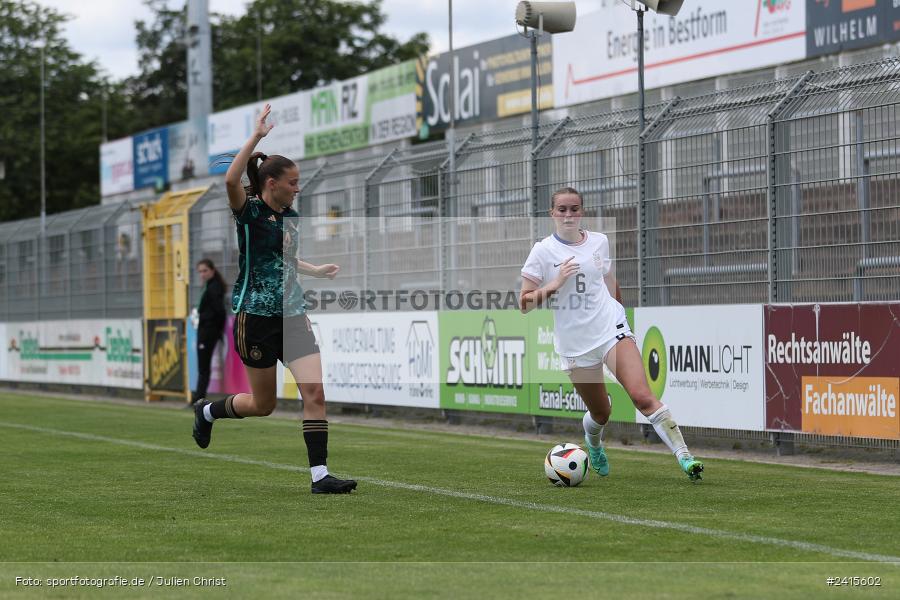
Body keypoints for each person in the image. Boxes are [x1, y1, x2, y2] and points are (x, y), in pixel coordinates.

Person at [192, 103, 357, 494]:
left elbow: (283, 260)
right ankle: (209, 410)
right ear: (272, 184)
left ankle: (320, 476)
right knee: (262, 404)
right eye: (293, 182)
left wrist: (314, 271)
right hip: (255, 318)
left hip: (294, 315)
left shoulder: (292, 218)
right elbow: (231, 179)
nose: (298, 188)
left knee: (314, 391)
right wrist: (257, 137)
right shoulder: (247, 212)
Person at [519, 187, 704, 481]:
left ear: (582, 212)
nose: (569, 215)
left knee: (643, 397)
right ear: (551, 214)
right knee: (601, 413)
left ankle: (686, 457)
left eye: (574, 209)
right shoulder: (542, 251)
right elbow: (524, 303)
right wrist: (555, 284)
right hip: (575, 345)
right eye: (562, 210)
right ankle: (593, 443)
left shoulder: (599, 242)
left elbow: (608, 281)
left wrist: (620, 314)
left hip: (610, 329)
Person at [190, 258, 226, 406]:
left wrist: (202, 317)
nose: (202, 274)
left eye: (205, 270)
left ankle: (198, 400)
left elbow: (219, 312)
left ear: (212, 270)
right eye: (200, 271)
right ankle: (198, 399)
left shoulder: (214, 288)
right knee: (202, 367)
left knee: (203, 368)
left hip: (207, 332)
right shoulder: (209, 286)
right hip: (205, 330)